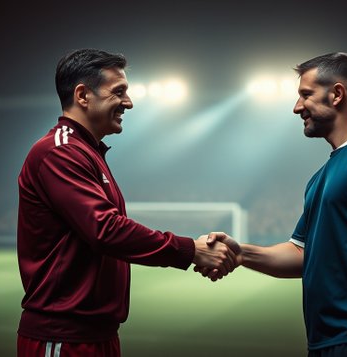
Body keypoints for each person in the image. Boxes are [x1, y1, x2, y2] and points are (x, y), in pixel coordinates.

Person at [199, 52, 347, 357]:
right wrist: (242, 254)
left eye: (305, 95)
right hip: (326, 340)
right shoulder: (321, 177)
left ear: (336, 94)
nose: (296, 107)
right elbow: (302, 254)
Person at [16, 48, 240, 357]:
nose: (129, 102)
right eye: (118, 92)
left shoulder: (87, 152)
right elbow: (106, 230)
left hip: (99, 335)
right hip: (64, 337)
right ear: (82, 95)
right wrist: (190, 250)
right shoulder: (59, 151)